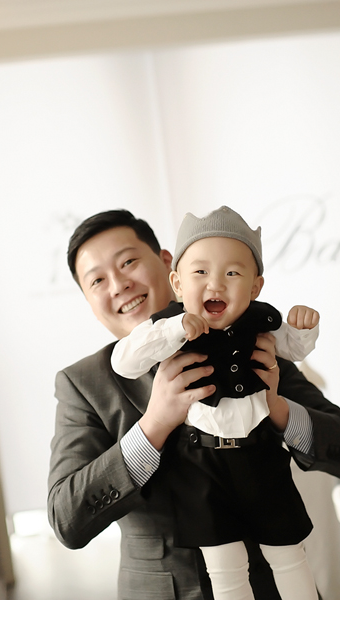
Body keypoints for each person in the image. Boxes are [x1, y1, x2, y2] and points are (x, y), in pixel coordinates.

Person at [48, 208, 340, 600]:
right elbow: (66, 520)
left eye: (128, 262)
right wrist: (153, 427)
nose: (119, 285)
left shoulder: (251, 342)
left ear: (168, 264)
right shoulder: (83, 383)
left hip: (270, 590)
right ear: (89, 300)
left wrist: (276, 406)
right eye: (97, 280)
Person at [110, 206, 321, 599]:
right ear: (177, 283)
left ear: (255, 287)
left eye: (233, 274)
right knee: (225, 568)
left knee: (289, 553)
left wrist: (303, 328)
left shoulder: (262, 322)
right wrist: (173, 330)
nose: (216, 284)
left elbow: (294, 348)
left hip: (262, 456)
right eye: (200, 272)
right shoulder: (168, 327)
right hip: (202, 465)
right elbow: (124, 362)